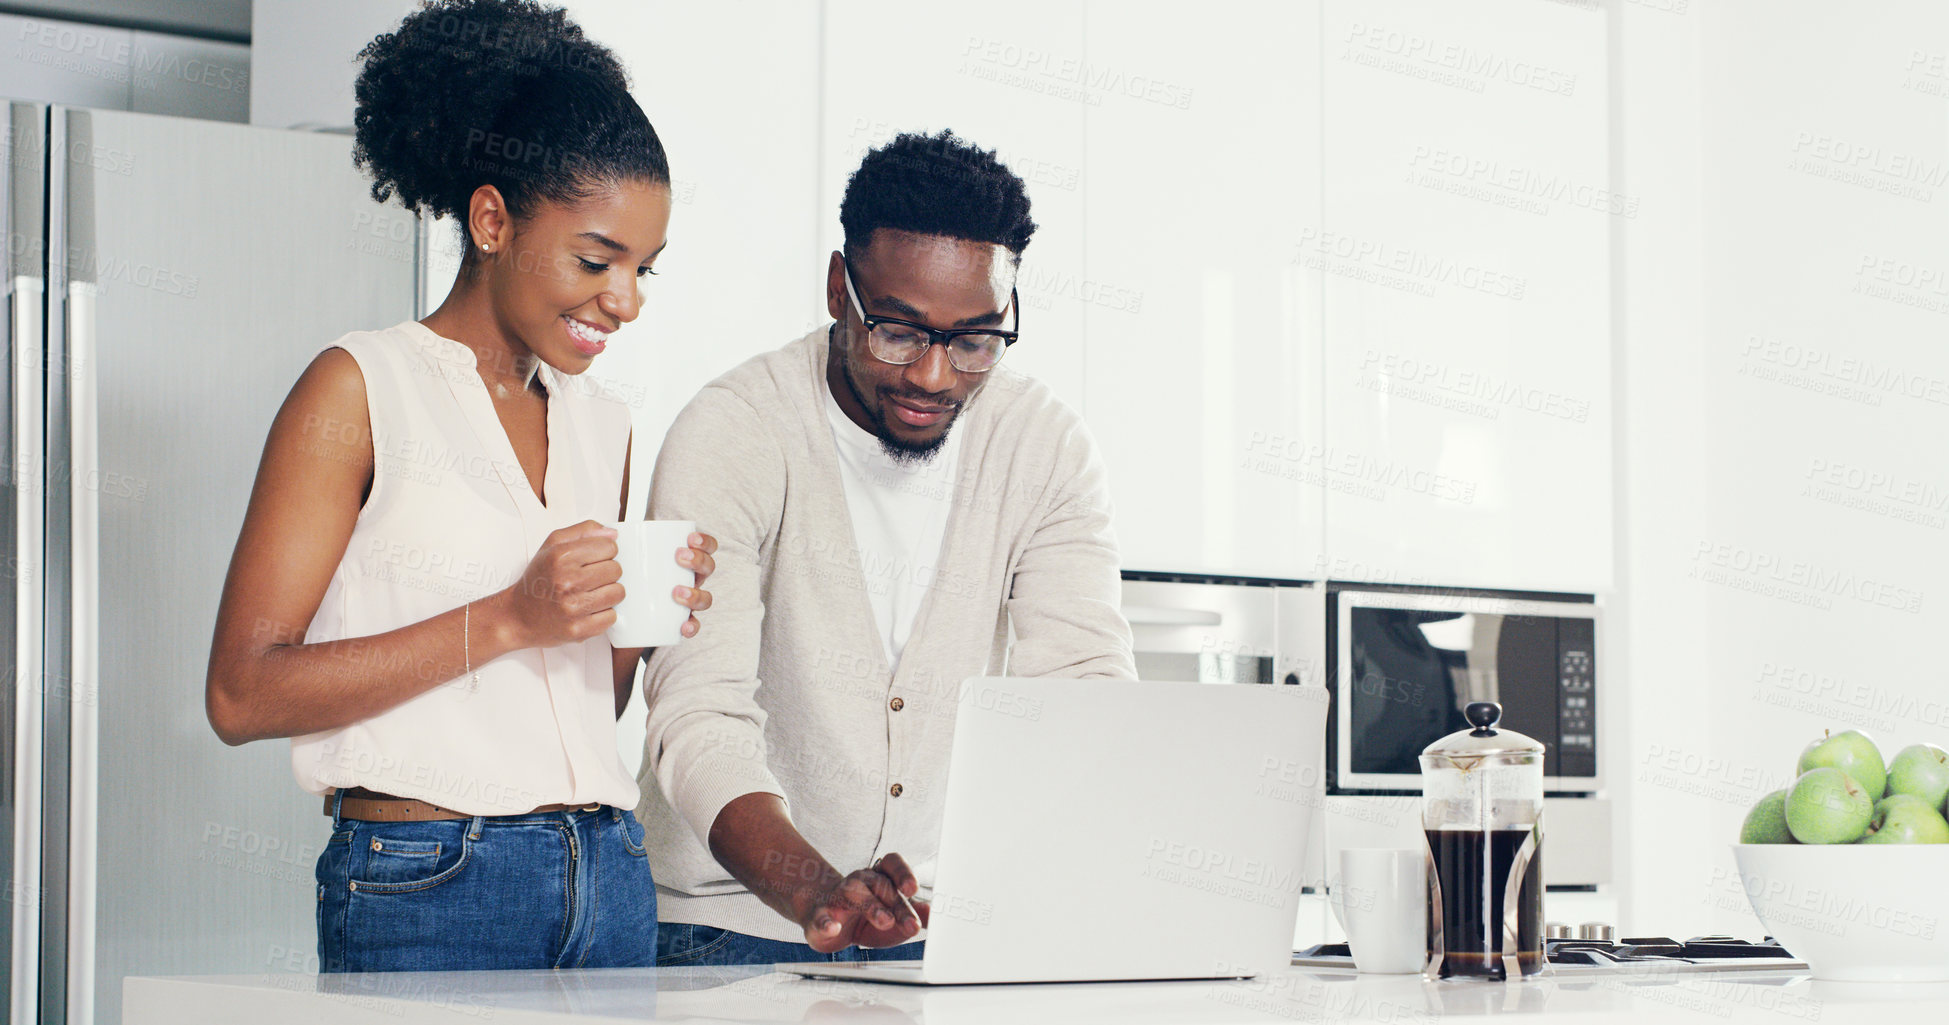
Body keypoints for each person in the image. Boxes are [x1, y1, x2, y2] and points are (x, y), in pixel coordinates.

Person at [203, 0, 711, 972]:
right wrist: (513, 614)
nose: (626, 299)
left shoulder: (605, 420)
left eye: (644, 268)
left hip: (608, 869)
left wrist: (634, 619)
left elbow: (573, 708)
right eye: (595, 259)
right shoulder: (360, 387)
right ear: (492, 220)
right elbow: (241, 690)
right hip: (428, 874)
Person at [638, 130, 1137, 967]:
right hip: (729, 929)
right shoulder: (736, 428)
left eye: (975, 339)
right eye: (898, 332)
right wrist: (814, 890)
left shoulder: (1042, 443)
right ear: (840, 289)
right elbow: (699, 712)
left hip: (942, 931)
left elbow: (1081, 689)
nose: (933, 376)